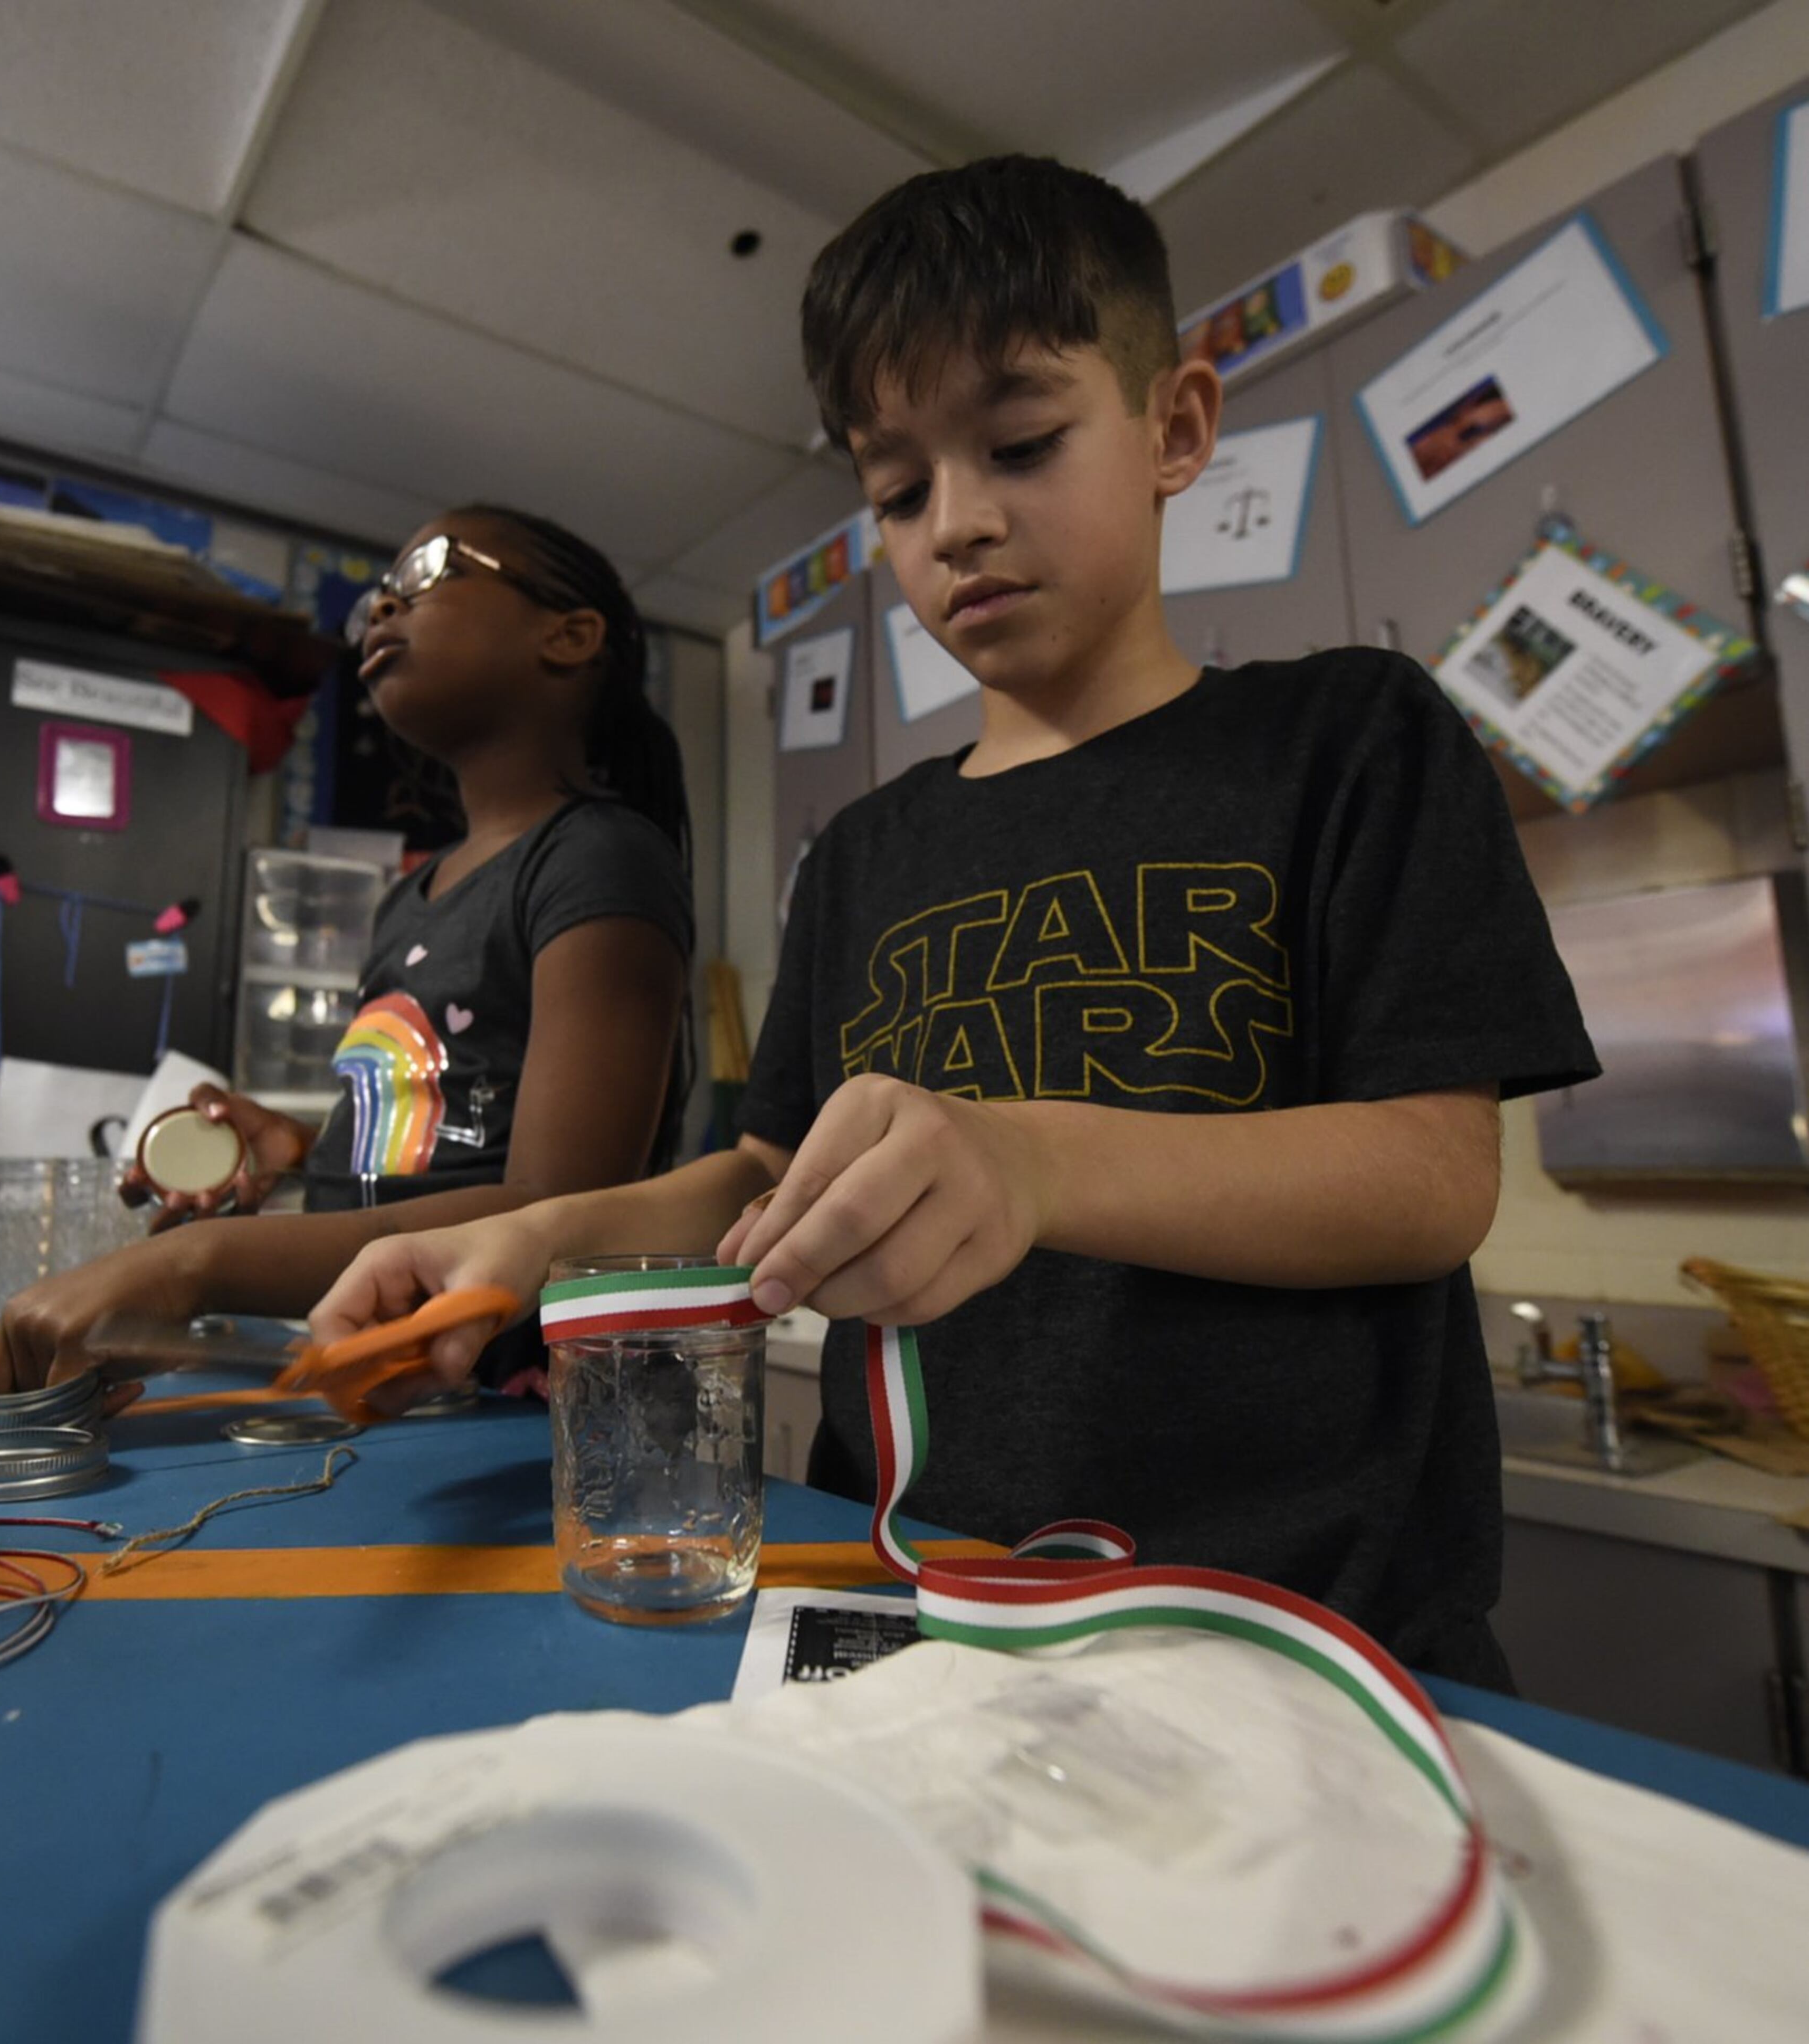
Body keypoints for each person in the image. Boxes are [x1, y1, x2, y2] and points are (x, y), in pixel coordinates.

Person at [331, 157, 1599, 1682]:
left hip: (1306, 1633)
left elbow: (1431, 1176)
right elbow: (763, 1172)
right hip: (933, 1626)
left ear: (1175, 429)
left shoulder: (1350, 738)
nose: (960, 524)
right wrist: (534, 1237)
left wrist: (1029, 1156)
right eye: (899, 489)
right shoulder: (869, 849)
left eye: (1021, 441)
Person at [0, 505, 694, 1401]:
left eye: (428, 570)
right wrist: (310, 1150)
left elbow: (554, 1209)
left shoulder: (598, 855)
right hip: (383, 1382)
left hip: (513, 1400)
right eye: (374, 600)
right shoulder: (411, 895)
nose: (382, 605)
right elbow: (456, 1135)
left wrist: (198, 1261)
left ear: (570, 634)